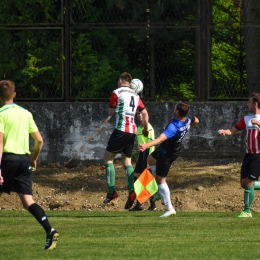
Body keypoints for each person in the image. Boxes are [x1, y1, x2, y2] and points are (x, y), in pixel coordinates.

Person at [0, 80, 59, 250]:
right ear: (14, 94)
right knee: (28, 201)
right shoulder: (25, 113)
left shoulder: (1, 114)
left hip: (7, 160)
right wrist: (33, 158)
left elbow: (0, 142)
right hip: (24, 159)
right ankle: (50, 230)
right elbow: (39, 140)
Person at [139, 101, 199, 217]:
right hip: (168, 149)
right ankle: (158, 190)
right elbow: (197, 120)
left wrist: (146, 145)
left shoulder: (174, 126)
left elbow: (161, 139)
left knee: (161, 180)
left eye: (175, 108)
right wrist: (188, 128)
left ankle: (169, 208)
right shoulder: (187, 118)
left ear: (177, 112)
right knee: (150, 159)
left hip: (167, 153)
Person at [103, 72, 149, 209]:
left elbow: (111, 113)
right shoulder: (136, 95)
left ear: (121, 80)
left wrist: (114, 109)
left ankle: (111, 192)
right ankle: (132, 191)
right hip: (132, 131)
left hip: (121, 129)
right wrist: (146, 128)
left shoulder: (116, 93)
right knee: (127, 161)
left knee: (107, 159)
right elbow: (145, 112)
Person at [218, 92, 260, 218]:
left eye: (249, 102)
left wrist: (258, 123)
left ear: (255, 104)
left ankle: (247, 211)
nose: (248, 104)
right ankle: (249, 202)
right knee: (243, 183)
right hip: (248, 154)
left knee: (248, 183)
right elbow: (233, 130)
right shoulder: (246, 118)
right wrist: (225, 132)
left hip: (259, 154)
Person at [130, 108, 157, 211]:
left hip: (147, 156)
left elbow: (152, 145)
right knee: (137, 180)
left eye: (141, 114)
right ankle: (139, 204)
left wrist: (149, 160)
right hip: (141, 155)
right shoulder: (139, 128)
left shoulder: (149, 128)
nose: (140, 116)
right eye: (138, 114)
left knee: (147, 181)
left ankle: (153, 205)